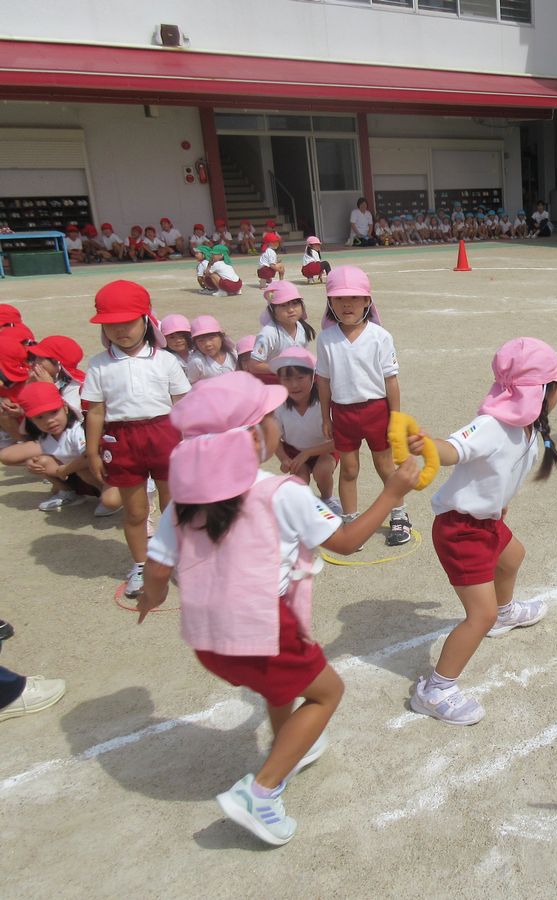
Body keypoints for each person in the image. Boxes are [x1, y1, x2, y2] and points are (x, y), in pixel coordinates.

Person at [136, 372, 422, 846]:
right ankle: (261, 792)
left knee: (279, 686)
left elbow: (159, 573)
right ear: (253, 437)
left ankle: (291, 743)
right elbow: (347, 542)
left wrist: (150, 600)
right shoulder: (281, 492)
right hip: (262, 626)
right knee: (327, 692)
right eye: (270, 419)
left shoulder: (181, 504)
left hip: (208, 637)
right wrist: (392, 493)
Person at [411, 338, 557, 724]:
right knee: (475, 617)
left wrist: (500, 510)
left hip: (487, 523)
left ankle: (505, 612)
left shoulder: (531, 427)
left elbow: (503, 475)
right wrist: (426, 446)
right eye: (556, 384)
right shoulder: (492, 425)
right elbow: (453, 449)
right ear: (542, 392)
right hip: (460, 530)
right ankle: (436, 690)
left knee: (514, 556)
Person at [81, 281, 191, 597]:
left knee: (174, 507)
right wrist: (91, 451)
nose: (120, 330)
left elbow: (184, 404)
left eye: (128, 321)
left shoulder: (165, 360)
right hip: (121, 439)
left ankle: (178, 558)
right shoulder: (99, 364)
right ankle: (141, 564)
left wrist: (194, 442)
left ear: (146, 320)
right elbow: (96, 412)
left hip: (164, 434)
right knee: (136, 511)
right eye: (111, 324)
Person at [314, 266, 411, 547]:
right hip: (343, 413)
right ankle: (351, 521)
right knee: (349, 470)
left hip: (376, 411)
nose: (347, 304)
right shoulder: (326, 339)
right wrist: (326, 416)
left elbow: (390, 381)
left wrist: (395, 417)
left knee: (385, 465)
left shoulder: (380, 336)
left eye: (355, 298)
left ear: (368, 301)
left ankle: (399, 514)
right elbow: (323, 381)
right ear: (329, 303)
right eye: (339, 298)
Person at [14, 381, 121, 515]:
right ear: (32, 421)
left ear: (65, 407)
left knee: (109, 499)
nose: (49, 421)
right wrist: (31, 462)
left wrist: (66, 470)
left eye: (53, 412)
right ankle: (68, 493)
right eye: (39, 417)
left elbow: (88, 457)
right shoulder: (44, 437)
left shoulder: (77, 430)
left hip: (103, 474)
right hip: (75, 476)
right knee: (41, 462)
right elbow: (51, 456)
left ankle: (105, 493)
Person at [269, 347, 341, 515]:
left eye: (300, 378)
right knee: (299, 478)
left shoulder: (325, 402)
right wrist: (285, 459)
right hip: (293, 451)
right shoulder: (279, 406)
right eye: (287, 379)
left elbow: (339, 441)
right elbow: (275, 439)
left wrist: (309, 453)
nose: (294, 385)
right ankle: (304, 504)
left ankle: (327, 498)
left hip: (325, 450)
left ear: (313, 377)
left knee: (322, 471)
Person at [246, 282, 316, 383]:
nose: (291, 309)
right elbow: (254, 365)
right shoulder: (268, 334)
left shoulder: (301, 327)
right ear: (272, 310)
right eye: (283, 305)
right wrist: (284, 369)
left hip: (295, 378)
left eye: (295, 303)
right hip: (274, 380)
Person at [184, 315, 238, 383]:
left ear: (221, 337)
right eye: (201, 340)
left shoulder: (233, 354)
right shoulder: (197, 362)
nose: (207, 344)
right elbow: (192, 383)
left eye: (211, 338)